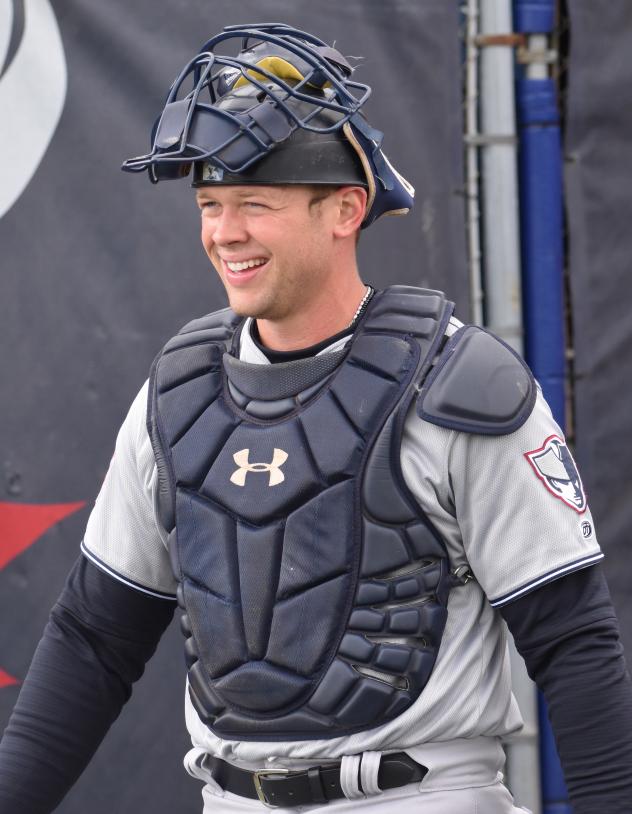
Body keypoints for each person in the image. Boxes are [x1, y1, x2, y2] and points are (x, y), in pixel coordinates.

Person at [1, 22, 631, 814]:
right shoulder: (178, 393)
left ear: (344, 209)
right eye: (210, 204)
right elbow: (95, 638)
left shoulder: (459, 386)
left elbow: (570, 641)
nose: (225, 233)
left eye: (254, 204)